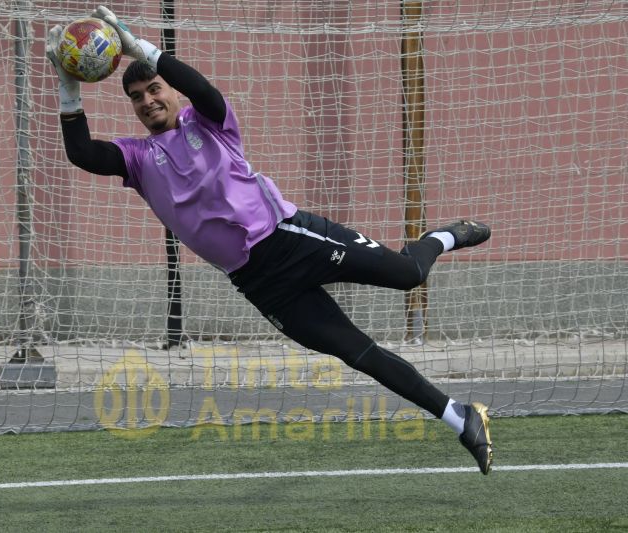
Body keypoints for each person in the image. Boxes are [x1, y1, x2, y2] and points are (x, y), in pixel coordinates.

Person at [46, 5, 494, 474]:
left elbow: (203, 89)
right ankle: (461, 418)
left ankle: (442, 237)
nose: (147, 101)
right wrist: (68, 82)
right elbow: (82, 153)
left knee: (408, 274)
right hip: (259, 282)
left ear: (169, 91)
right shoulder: (136, 158)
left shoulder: (210, 124)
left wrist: (141, 49)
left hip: (290, 238)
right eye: (136, 96)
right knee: (357, 353)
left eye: (153, 89)